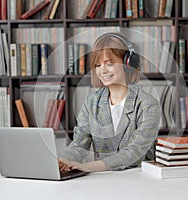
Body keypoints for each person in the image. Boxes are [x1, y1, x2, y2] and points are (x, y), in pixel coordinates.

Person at [59, 33, 161, 172]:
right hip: (104, 182)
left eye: (110, 63)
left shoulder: (148, 104)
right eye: (98, 65)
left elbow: (134, 153)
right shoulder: (91, 103)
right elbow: (79, 144)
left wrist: (88, 167)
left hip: (138, 180)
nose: (103, 70)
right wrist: (63, 160)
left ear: (128, 64)